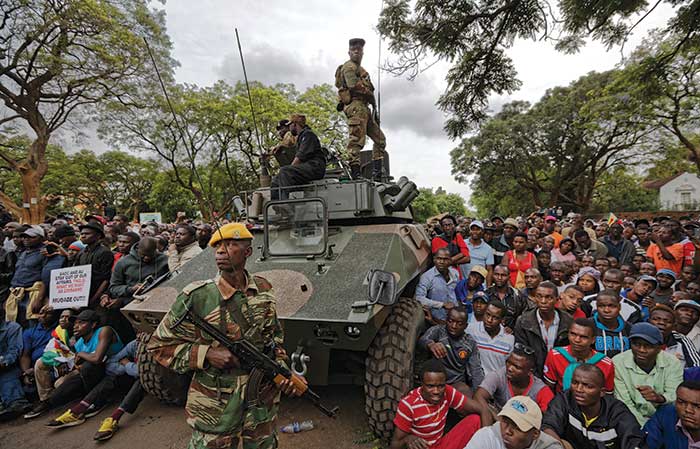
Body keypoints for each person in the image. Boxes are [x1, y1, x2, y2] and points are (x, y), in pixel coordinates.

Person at [147, 223, 301, 449]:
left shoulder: (263, 288)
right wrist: (206, 354)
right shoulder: (198, 296)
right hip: (217, 407)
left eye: (230, 245)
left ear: (247, 252)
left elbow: (274, 337)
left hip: (261, 405)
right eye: (217, 246)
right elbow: (159, 346)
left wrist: (283, 373)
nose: (220, 251)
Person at [25, 309, 123, 420]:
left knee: (88, 367)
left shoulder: (104, 331)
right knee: (60, 386)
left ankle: (98, 401)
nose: (76, 326)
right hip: (98, 374)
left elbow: (97, 359)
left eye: (81, 323)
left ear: (93, 324)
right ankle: (47, 403)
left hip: (118, 370)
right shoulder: (79, 343)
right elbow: (80, 365)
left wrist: (81, 355)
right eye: (75, 323)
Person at [390, 359, 489, 449]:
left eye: (441, 386)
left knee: (475, 420)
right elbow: (394, 444)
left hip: (440, 445)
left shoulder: (447, 392)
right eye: (430, 386)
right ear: (422, 384)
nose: (436, 391)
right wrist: (408, 439)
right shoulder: (409, 404)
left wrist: (486, 441)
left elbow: (481, 409)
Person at [542, 365, 645, 449]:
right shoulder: (564, 399)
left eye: (588, 386)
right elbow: (548, 427)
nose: (579, 389)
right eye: (575, 383)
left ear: (602, 392)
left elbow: (634, 440)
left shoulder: (617, 411)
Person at [612, 322, 684, 425]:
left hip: (665, 418)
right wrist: (644, 428)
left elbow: (675, 395)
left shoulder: (672, 362)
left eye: (648, 346)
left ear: (659, 348)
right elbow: (625, 403)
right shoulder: (618, 362)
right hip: (631, 419)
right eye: (636, 344)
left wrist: (659, 398)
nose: (641, 350)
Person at [336, 38, 386, 180]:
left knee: (380, 140)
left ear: (363, 52)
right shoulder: (349, 67)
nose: (357, 52)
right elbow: (353, 86)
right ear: (349, 52)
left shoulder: (361, 70)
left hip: (365, 107)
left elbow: (368, 88)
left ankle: (377, 173)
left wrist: (373, 104)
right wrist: (368, 92)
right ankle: (356, 173)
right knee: (356, 140)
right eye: (354, 49)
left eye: (359, 50)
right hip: (356, 106)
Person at [419, 306, 485, 397]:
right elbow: (423, 339)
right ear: (446, 320)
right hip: (435, 379)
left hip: (456, 383)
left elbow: (476, 370)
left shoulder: (470, 343)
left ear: (466, 326)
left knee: (466, 392)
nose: (454, 326)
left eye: (459, 323)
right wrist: (431, 344)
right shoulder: (439, 331)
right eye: (451, 321)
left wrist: (478, 395)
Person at [514, 282, 573, 377]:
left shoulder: (567, 321)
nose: (543, 301)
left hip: (561, 373)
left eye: (549, 297)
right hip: (533, 374)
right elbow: (522, 352)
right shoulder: (523, 321)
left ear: (557, 299)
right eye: (539, 296)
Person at [542, 319, 614, 394]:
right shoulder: (555, 355)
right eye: (573, 334)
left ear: (593, 340)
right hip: (561, 403)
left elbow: (607, 395)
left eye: (583, 337)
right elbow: (549, 388)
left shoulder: (606, 363)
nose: (577, 340)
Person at [475, 347, 554, 413]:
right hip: (497, 421)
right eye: (508, 362)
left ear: (530, 371)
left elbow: (549, 419)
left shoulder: (541, 390)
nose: (509, 368)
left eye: (517, 367)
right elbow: (478, 396)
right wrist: (498, 419)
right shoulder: (498, 375)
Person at [465, 395, 563, 449]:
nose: (507, 431)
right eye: (505, 421)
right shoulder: (487, 436)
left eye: (517, 427)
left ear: (535, 434)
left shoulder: (549, 447)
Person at [270, 114, 326, 201]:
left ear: (295, 124)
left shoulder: (308, 135)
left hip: (315, 167)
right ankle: (276, 205)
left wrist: (289, 169)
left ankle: (285, 203)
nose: (289, 128)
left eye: (290, 125)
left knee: (285, 171)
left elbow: (300, 157)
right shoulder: (300, 137)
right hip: (307, 168)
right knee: (276, 179)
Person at [644, 380, 700, 449]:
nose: (688, 410)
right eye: (681, 402)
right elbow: (645, 443)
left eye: (698, 406)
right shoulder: (665, 415)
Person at [467, 300, 514, 376]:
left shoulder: (509, 339)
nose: (489, 320)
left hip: (498, 383)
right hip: (474, 380)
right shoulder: (471, 329)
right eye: (487, 315)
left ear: (502, 320)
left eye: (495, 318)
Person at [73, 221, 114, 308]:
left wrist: (94, 299)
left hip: (98, 295)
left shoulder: (105, 252)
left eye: (87, 233)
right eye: (82, 234)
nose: (83, 236)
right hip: (82, 294)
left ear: (98, 236)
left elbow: (106, 279)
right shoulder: (81, 253)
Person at [0, 305, 31, 420]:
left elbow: (14, 352)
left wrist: (3, 362)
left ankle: (16, 402)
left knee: (7, 378)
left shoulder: (12, 328)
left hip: (9, 367)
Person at [417, 248, 461, 323]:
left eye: (445, 259)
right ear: (434, 259)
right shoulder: (427, 277)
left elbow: (457, 292)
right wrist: (442, 305)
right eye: (439, 259)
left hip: (454, 320)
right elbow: (419, 298)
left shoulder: (455, 274)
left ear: (450, 260)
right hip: (436, 320)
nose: (441, 262)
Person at [649, 303, 700, 368]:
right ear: (648, 321)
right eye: (656, 319)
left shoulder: (681, 339)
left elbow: (696, 366)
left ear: (673, 325)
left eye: (668, 321)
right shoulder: (638, 334)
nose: (661, 323)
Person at [590, 290, 631, 358]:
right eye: (601, 306)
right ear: (596, 307)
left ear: (619, 307)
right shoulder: (588, 326)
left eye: (612, 306)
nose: (606, 310)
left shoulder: (629, 328)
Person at [486, 265, 526, 331]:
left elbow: (522, 318)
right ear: (493, 275)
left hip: (510, 335)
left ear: (509, 277)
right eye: (496, 274)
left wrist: (513, 329)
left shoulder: (517, 296)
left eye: (503, 275)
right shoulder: (486, 294)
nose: (499, 278)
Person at [464, 220, 494, 285]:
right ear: (470, 231)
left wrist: (488, 287)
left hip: (479, 285)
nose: (475, 232)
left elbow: (489, 270)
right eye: (473, 229)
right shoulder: (463, 243)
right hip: (463, 282)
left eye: (477, 229)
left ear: (482, 231)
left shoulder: (488, 249)